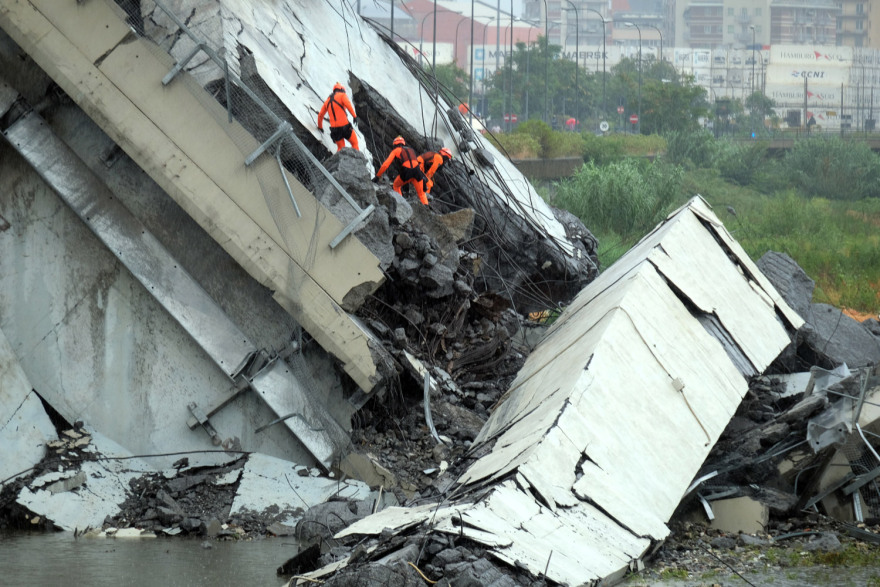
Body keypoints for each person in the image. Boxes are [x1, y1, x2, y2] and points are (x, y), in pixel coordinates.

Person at [372, 136, 429, 205]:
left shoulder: (395, 151)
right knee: (422, 194)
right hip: (417, 171)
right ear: (403, 144)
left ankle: (401, 204)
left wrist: (378, 176)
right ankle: (426, 206)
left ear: (395, 145)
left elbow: (385, 164)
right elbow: (414, 163)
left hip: (406, 172)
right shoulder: (411, 150)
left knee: (396, 185)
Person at [317, 82, 359, 151]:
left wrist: (320, 127)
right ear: (341, 89)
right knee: (355, 143)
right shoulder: (342, 95)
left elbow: (320, 115)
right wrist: (354, 116)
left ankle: (340, 161)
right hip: (345, 126)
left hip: (335, 130)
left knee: (340, 148)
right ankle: (356, 160)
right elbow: (348, 105)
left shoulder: (327, 101)